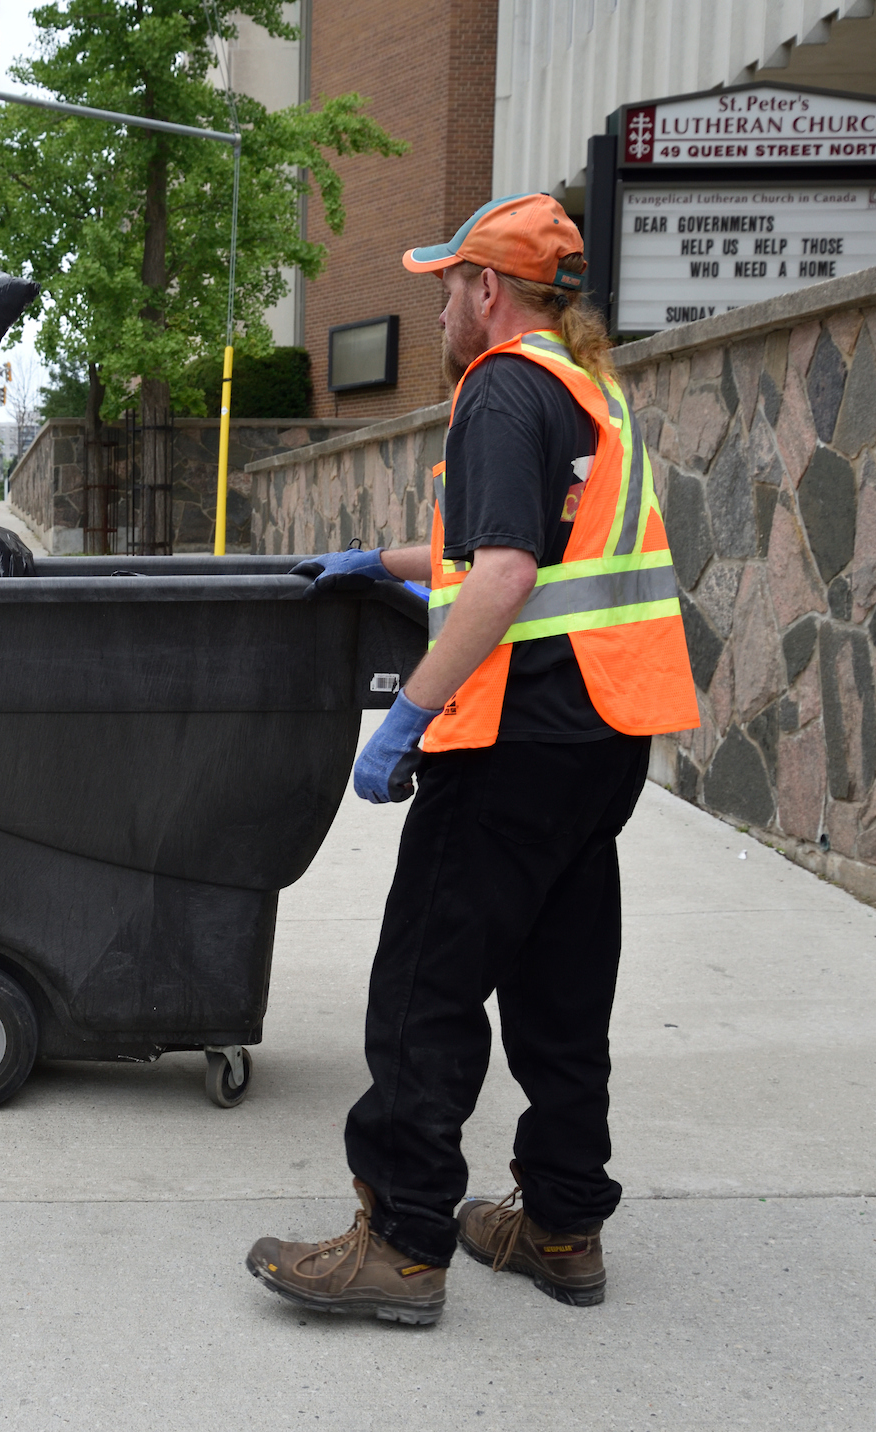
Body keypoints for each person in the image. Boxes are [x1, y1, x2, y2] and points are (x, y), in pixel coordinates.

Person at [245, 194, 700, 1324]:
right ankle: (560, 1223)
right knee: (560, 982)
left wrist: (410, 716)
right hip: (601, 737)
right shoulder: (590, 390)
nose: (440, 304)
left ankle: (401, 1243)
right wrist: (380, 562)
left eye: (446, 285)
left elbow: (502, 574)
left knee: (423, 988)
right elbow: (514, 551)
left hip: (514, 739)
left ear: (487, 290)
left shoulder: (500, 387)